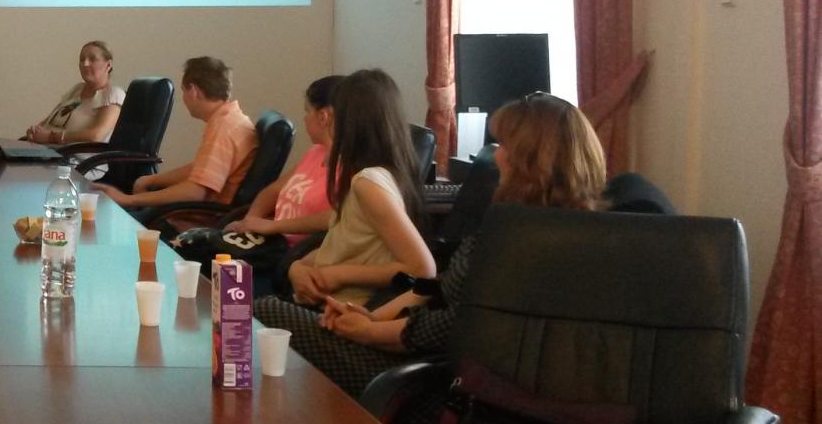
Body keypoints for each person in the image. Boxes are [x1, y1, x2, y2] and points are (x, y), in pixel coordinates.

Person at [256, 92, 608, 397]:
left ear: (528, 160)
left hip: (429, 387)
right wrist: (371, 318)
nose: (498, 156)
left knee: (267, 311)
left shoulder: (508, 241)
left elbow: (452, 328)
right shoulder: (588, 236)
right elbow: (437, 290)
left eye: (505, 147)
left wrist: (369, 332)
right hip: (444, 371)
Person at [263, 68, 434, 314]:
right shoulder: (373, 176)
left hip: (341, 313)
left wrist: (338, 275)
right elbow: (339, 246)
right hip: (322, 300)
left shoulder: (369, 183)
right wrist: (298, 268)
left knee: (249, 313)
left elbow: (422, 269)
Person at [165, 75, 340, 262]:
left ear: (323, 116)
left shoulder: (351, 168)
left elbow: (338, 217)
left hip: (292, 253)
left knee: (190, 253)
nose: (304, 119)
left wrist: (273, 227)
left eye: (307, 111)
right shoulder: (316, 152)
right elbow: (273, 191)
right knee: (188, 247)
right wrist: (250, 221)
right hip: (265, 239)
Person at [96, 57, 257, 211]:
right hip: (204, 211)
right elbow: (199, 169)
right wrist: (151, 180)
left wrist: (128, 199)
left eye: (183, 91)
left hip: (202, 218)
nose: (184, 98)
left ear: (193, 91)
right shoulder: (230, 120)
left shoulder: (223, 129)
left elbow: (196, 192)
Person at [24, 41, 125, 145]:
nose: (85, 64)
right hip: (43, 147)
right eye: (82, 59)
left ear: (108, 65)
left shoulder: (113, 94)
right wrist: (34, 131)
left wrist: (51, 137)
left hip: (71, 153)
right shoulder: (77, 89)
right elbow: (47, 122)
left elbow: (96, 136)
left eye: (92, 59)